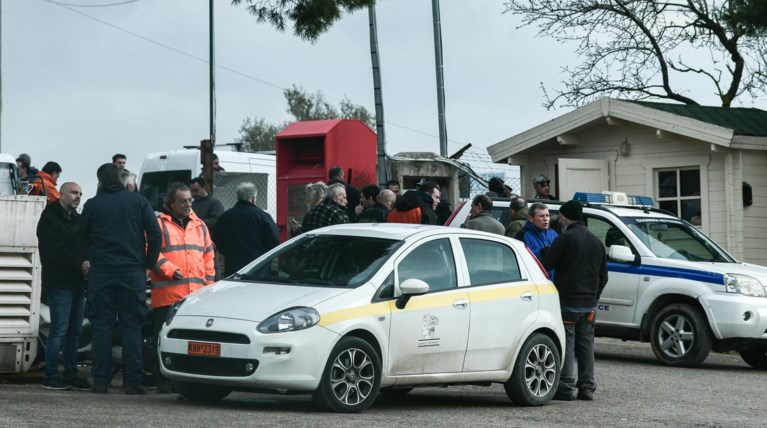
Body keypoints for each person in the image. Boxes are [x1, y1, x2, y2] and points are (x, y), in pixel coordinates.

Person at [79, 163, 162, 395]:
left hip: (102, 273)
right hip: (132, 273)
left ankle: (101, 381)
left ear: (100, 182)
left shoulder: (93, 204)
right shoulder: (138, 202)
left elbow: (81, 234)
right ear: (121, 178)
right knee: (132, 328)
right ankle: (133, 382)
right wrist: (148, 263)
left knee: (102, 328)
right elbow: (155, 234)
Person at [150, 182, 215, 393]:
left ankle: (189, 380)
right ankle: (162, 380)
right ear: (170, 203)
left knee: (193, 343)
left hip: (195, 297)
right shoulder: (158, 224)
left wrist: (209, 289)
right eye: (183, 201)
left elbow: (208, 258)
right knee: (164, 339)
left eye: (190, 200)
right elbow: (150, 251)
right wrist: (168, 270)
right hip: (169, 295)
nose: (188, 204)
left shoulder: (200, 225)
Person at [542, 200, 608, 402]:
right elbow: (604, 276)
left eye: (560, 216)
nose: (558, 220)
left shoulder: (565, 238)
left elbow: (547, 264)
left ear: (566, 217)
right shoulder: (596, 242)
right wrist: (594, 296)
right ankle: (587, 388)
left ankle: (566, 386)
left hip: (568, 301)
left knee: (568, 342)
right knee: (586, 345)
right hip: (589, 303)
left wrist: (545, 252)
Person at [36, 182, 91, 391]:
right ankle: (50, 374)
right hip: (59, 282)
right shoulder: (49, 218)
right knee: (59, 329)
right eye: (74, 192)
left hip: (77, 283)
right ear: (61, 194)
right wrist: (81, 264)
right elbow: (53, 251)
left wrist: (86, 262)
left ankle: (70, 373)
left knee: (74, 331)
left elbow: (84, 245)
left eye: (80, 193)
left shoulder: (77, 219)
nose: (78, 196)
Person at [216, 182, 279, 276]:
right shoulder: (263, 216)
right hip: (258, 268)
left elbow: (217, 241)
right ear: (254, 198)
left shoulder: (225, 217)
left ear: (237, 197)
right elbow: (275, 241)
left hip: (233, 267)